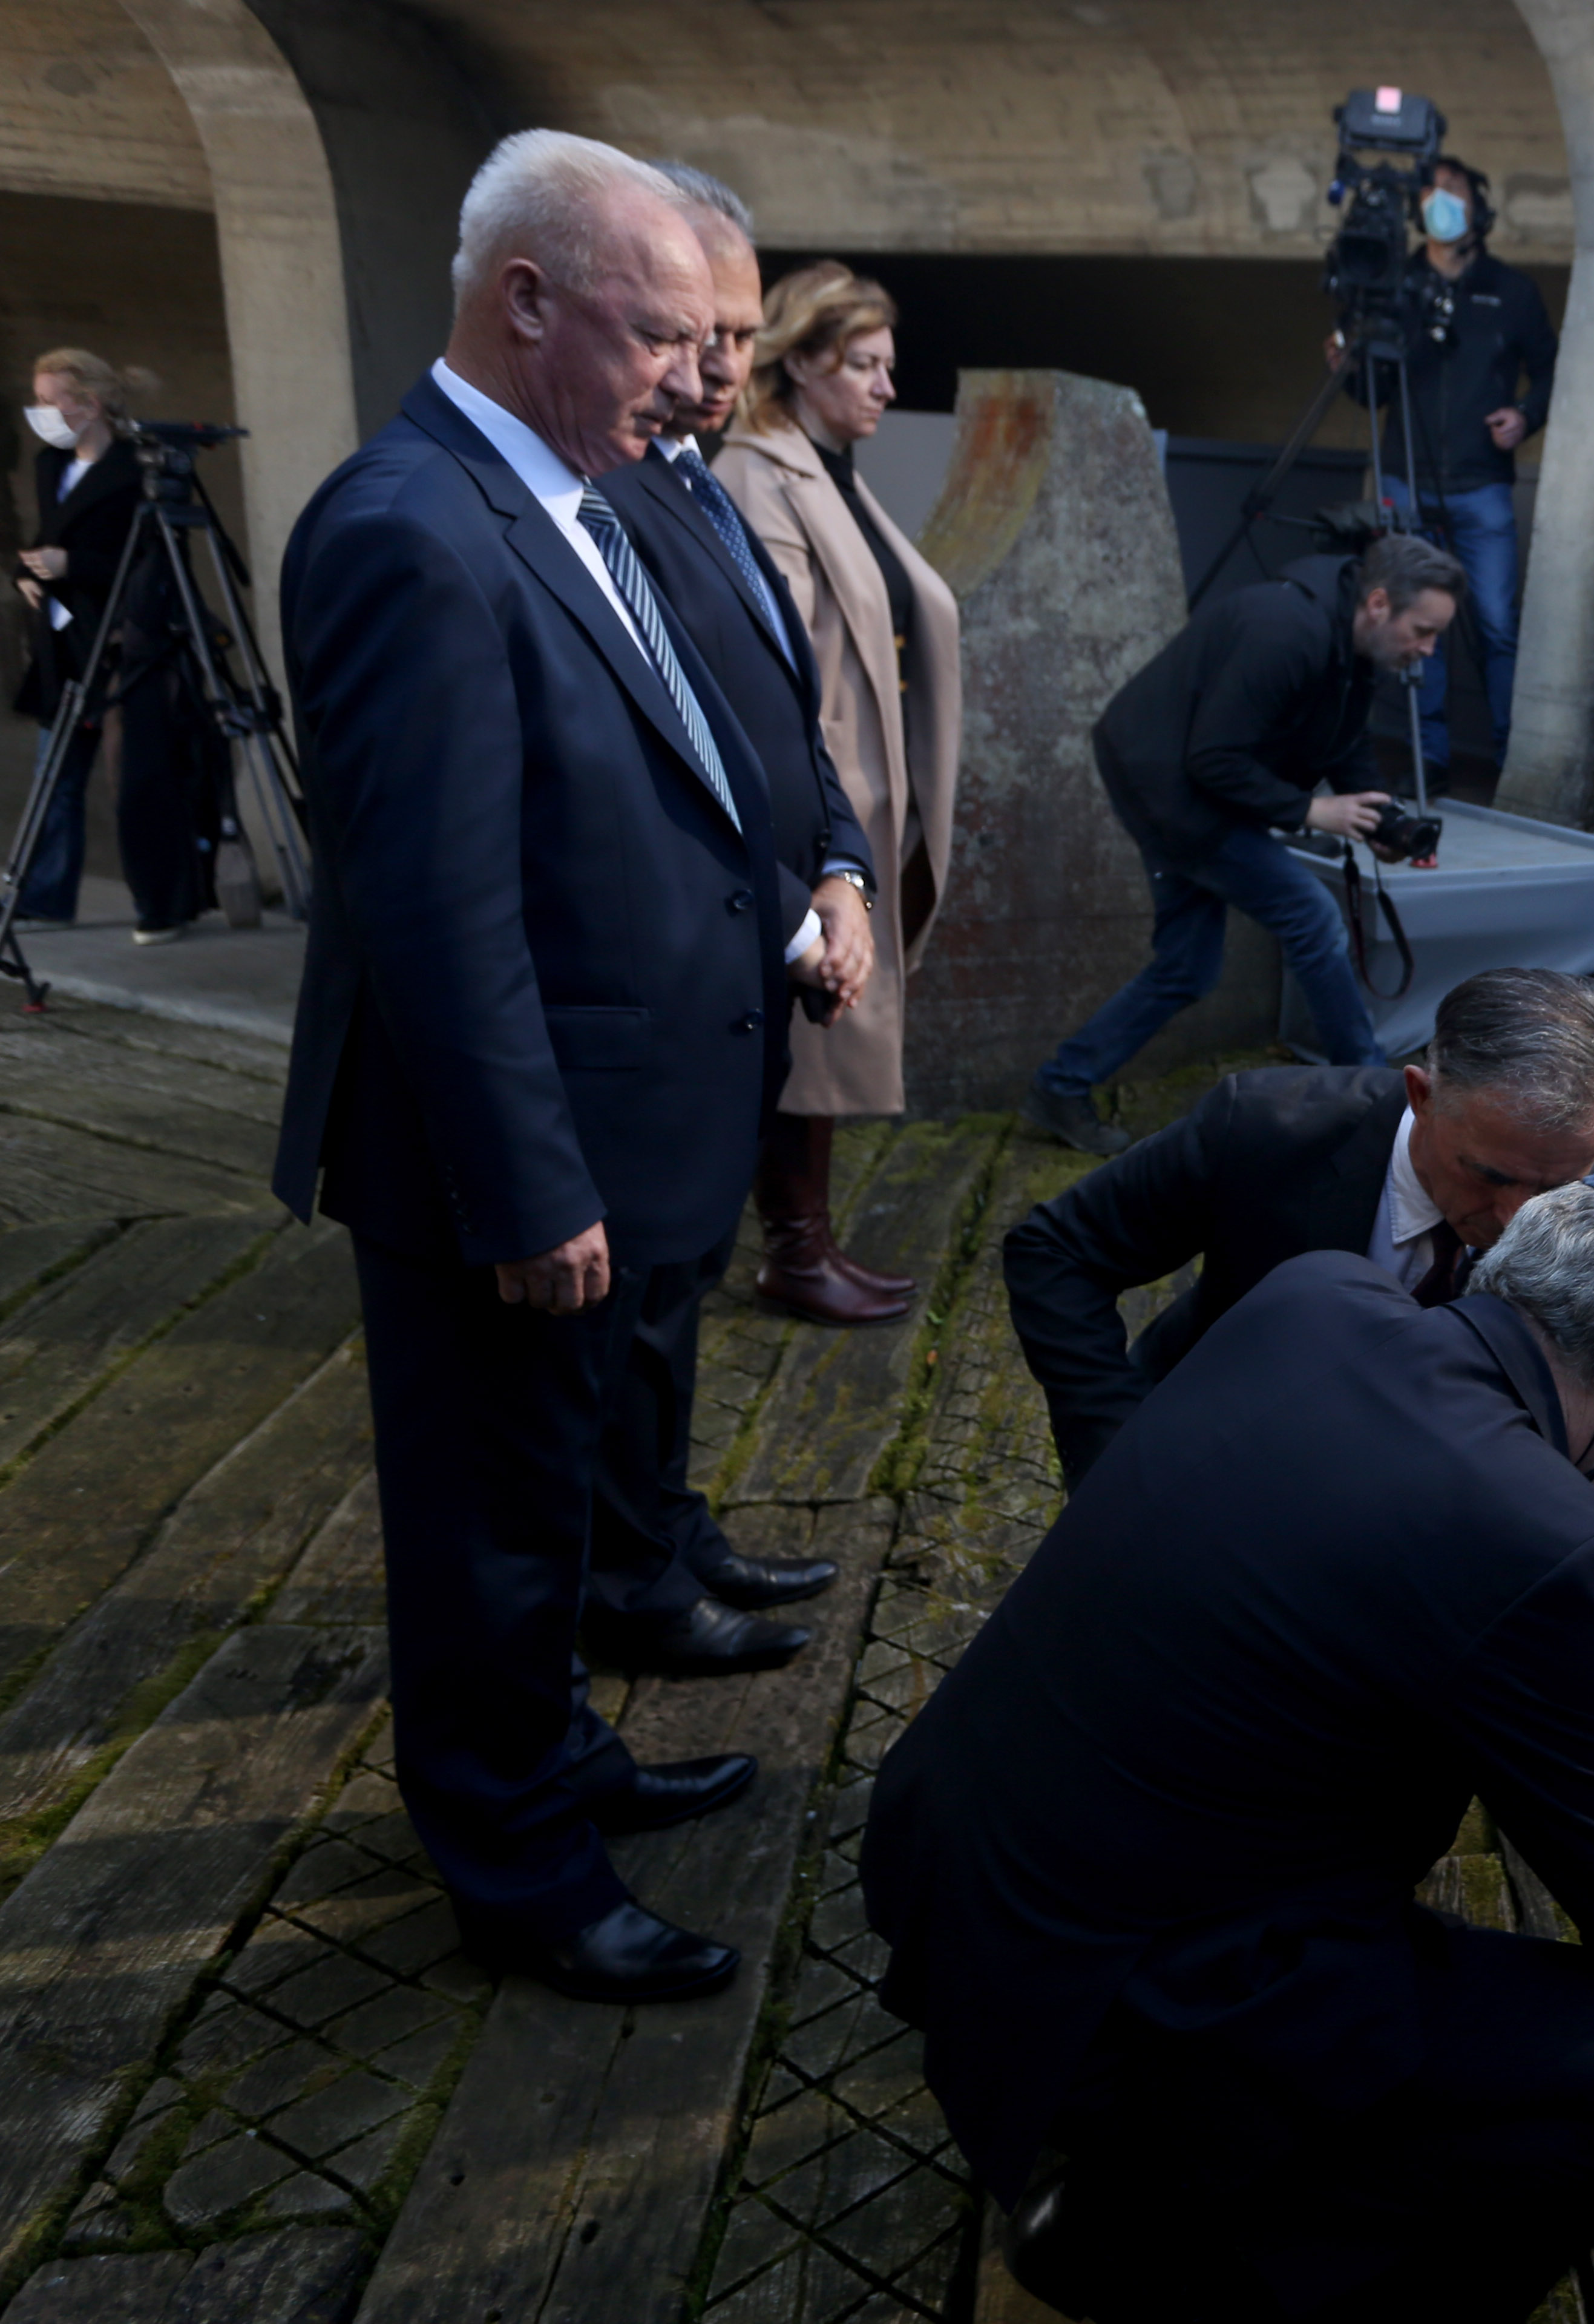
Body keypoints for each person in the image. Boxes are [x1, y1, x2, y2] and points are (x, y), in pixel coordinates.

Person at [271, 131, 845, 2004]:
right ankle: (517, 1870)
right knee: (490, 1538)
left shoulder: (569, 495)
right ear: (525, 303)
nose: (694, 376)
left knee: (547, 1507)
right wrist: (526, 1185)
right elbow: (435, 914)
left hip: (611, 1134)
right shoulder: (409, 528)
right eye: (659, 334)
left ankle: (557, 1759)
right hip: (512, 1169)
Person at [862, 1166, 1594, 2323]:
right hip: (1123, 1996)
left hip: (947, 1856)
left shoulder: (1316, 1296)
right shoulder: (1557, 1546)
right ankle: (1159, 2245)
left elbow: (1362, 1566)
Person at [576, 160, 880, 1678]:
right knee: (634, 1311)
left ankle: (663, 1528)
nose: (717, 365)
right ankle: (628, 1573)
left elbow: (779, 718)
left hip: (753, 959)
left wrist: (842, 871)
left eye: (740, 337)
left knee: (677, 1295)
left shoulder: (691, 479)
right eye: (696, 334)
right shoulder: (601, 496)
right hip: (671, 980)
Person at [1004, 964, 1594, 1489]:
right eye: (1488, 1175)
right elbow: (1056, 1252)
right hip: (1207, 1455)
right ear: (1422, 1097)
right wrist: (1116, 1457)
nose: (1517, 1220)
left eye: (1553, 1188)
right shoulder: (1263, 1129)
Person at [1020, 532, 1461, 1157]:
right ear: (1379, 604)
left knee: (1187, 967)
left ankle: (1061, 1085)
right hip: (1170, 786)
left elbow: (1343, 740)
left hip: (1198, 782)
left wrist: (1377, 818)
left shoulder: (1354, 642)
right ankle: (1374, 1099)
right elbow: (1213, 756)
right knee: (1311, 919)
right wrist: (1309, 810)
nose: (1428, 649)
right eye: (1423, 631)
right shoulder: (1285, 631)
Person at [712, 261, 959, 1321]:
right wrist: (827, 830)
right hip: (818, 797)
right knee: (810, 1021)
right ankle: (795, 1250)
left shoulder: (828, 468)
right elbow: (775, 671)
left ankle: (806, 1242)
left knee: (827, 1017)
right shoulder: (758, 473)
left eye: (887, 366)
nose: (885, 387)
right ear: (803, 362)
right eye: (863, 364)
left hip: (861, 789)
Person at [1338, 152, 1555, 775]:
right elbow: (1370, 393)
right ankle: (1427, 758)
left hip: (1481, 481)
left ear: (1478, 208)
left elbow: (1550, 371)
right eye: (1430, 192)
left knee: (1496, 625)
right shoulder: (1393, 286)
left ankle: (1512, 760)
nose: (1441, 202)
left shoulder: (1512, 291)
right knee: (1413, 620)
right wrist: (1348, 365)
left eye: (1453, 191)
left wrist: (1525, 415)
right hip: (1406, 475)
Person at [13, 352, 143, 932]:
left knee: (130, 777)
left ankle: (158, 896)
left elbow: (148, 560)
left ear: (89, 406)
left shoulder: (135, 469)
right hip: (62, 635)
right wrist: (27, 574)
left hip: (112, 636)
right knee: (54, 775)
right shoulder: (51, 465)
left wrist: (74, 564)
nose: (40, 411)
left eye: (49, 400)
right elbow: (48, 535)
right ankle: (46, 893)